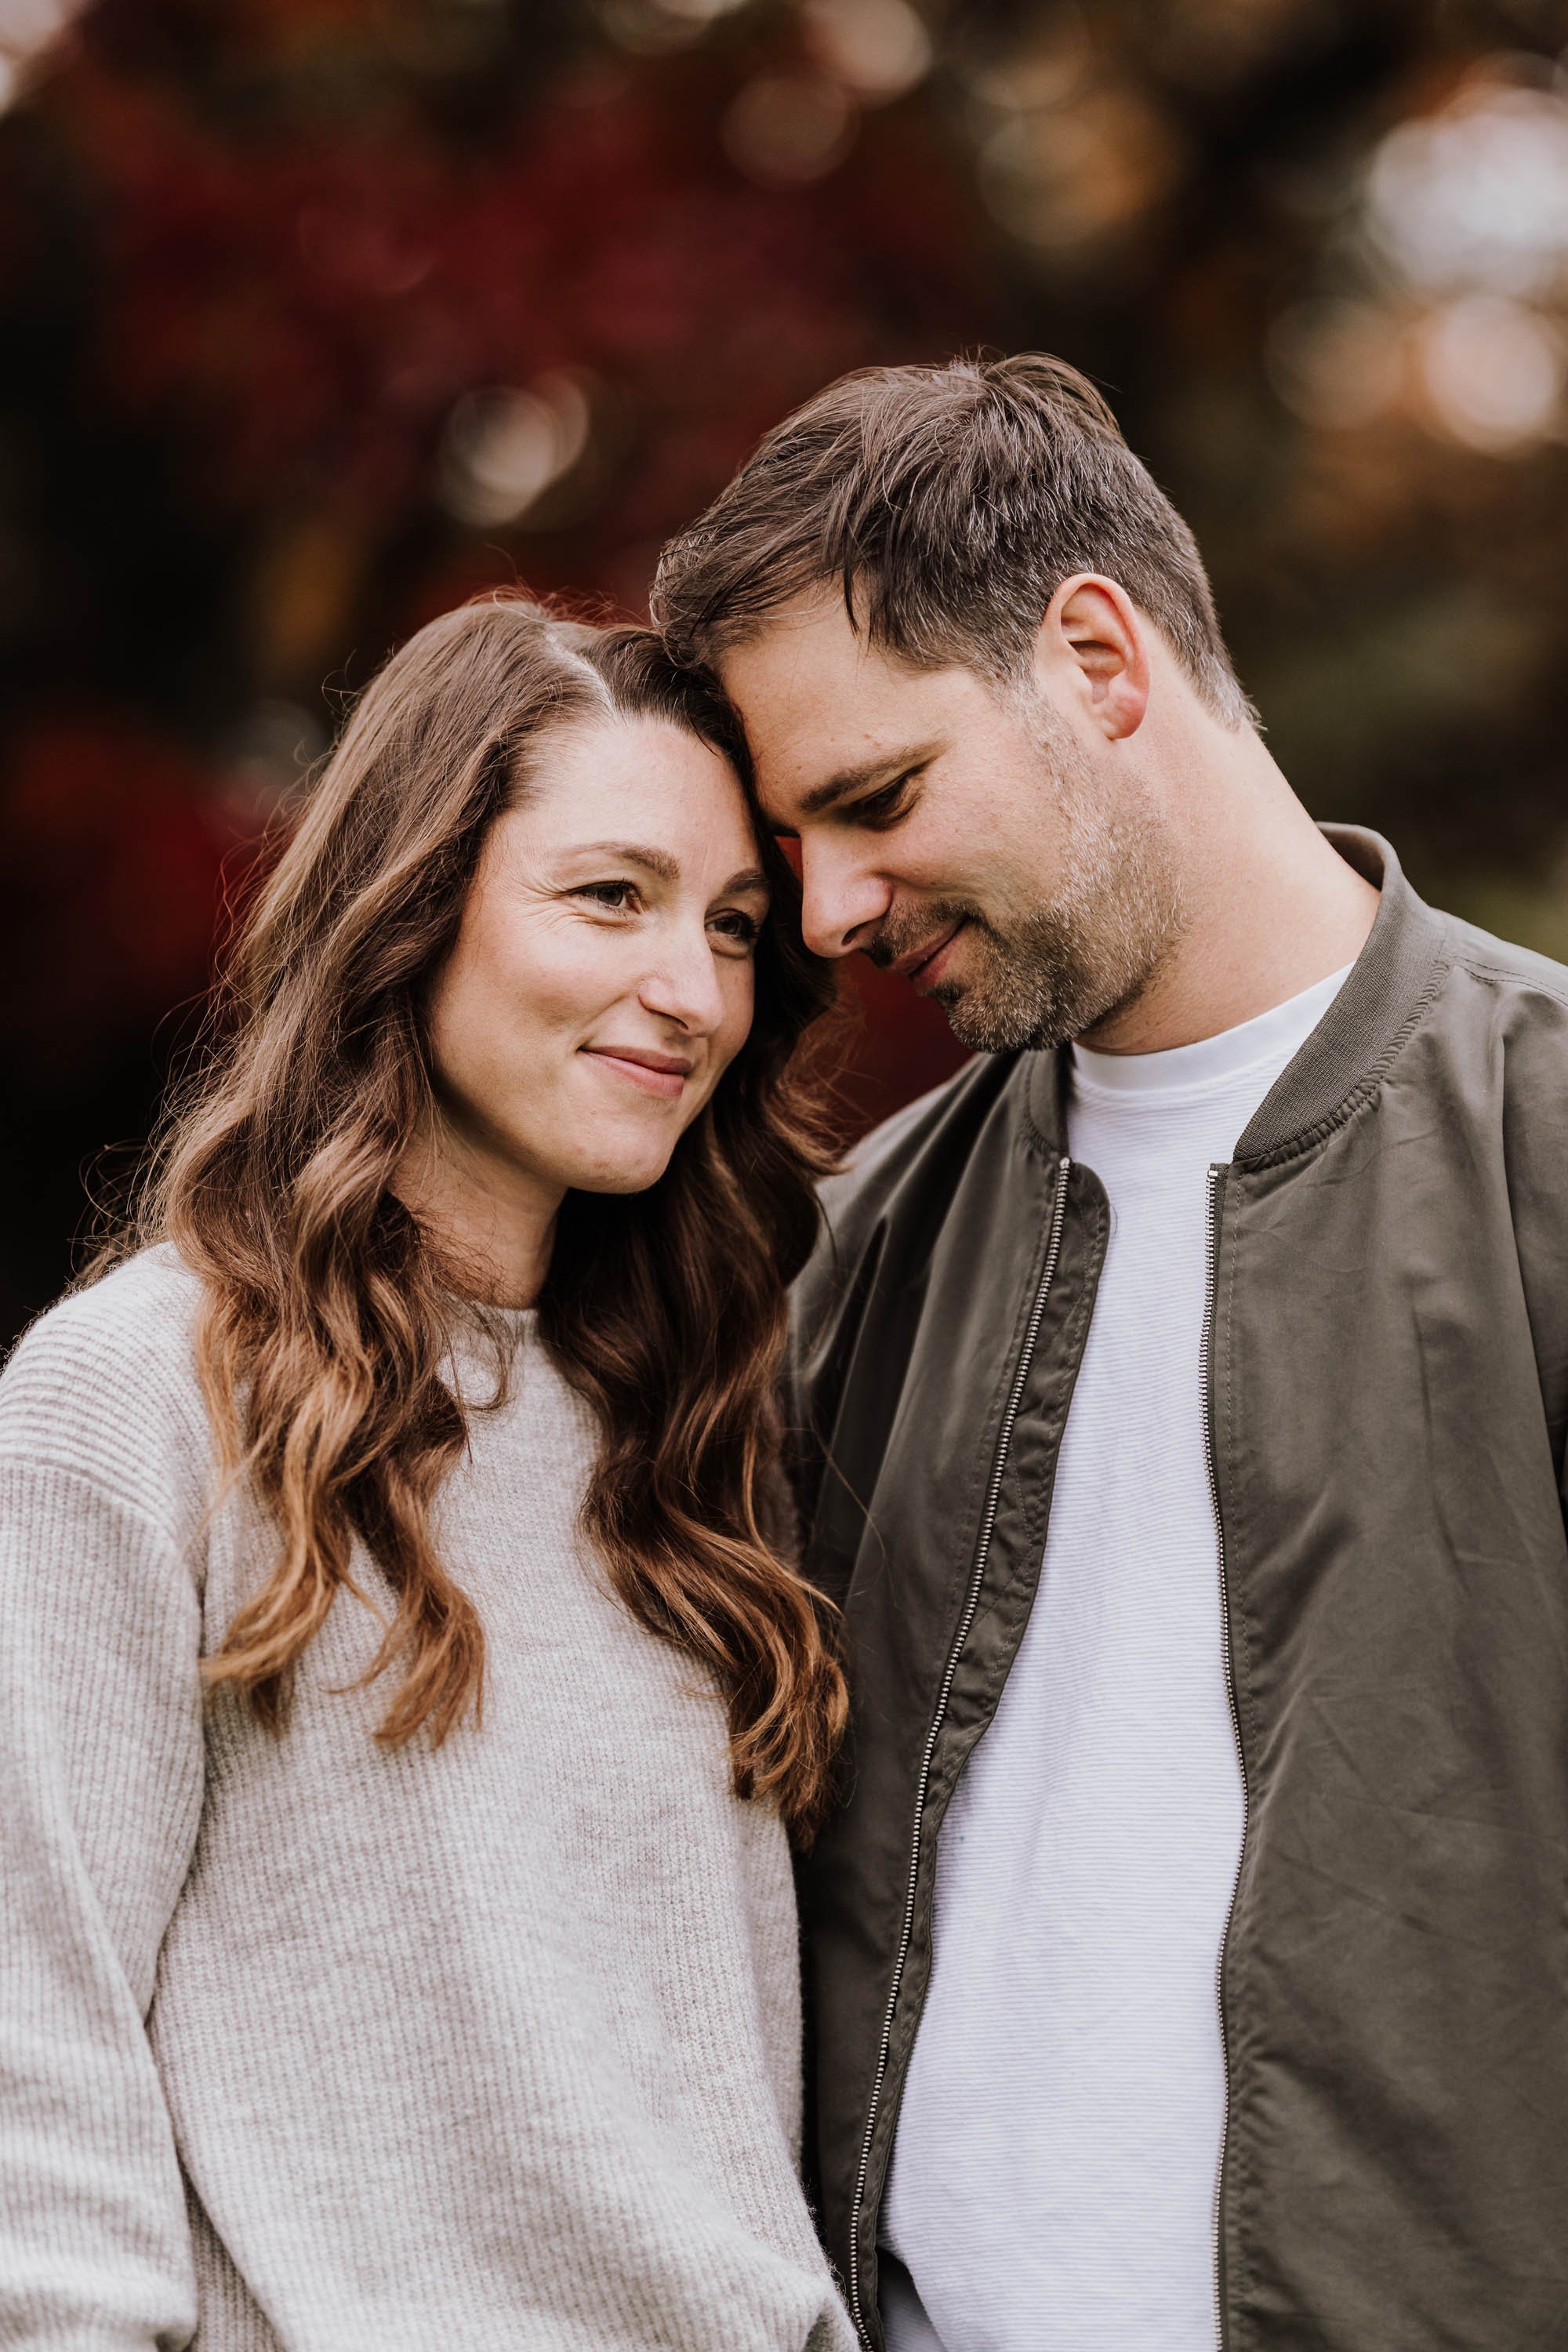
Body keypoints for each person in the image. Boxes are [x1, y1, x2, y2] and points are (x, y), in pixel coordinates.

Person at [652, 353, 1568, 2352]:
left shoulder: (1542, 1148)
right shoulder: (853, 1247)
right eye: (792, 843)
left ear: (1095, 655)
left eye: (873, 801)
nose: (827, 909)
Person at [0, 597, 858, 2352]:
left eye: (735, 926)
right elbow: (31, 2032)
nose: (689, 990)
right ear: (415, 902)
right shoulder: (137, 1401)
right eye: (610, 895)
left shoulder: (699, 1432)